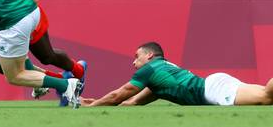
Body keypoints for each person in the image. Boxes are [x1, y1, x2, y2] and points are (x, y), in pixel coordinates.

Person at [82, 42, 273, 106]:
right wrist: (101, 102)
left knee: (266, 97)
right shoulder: (162, 69)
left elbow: (119, 94)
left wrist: (95, 106)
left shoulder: (150, 69)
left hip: (213, 90)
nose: (134, 62)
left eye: (137, 57)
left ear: (149, 55)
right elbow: (152, 92)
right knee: (268, 96)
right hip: (214, 85)